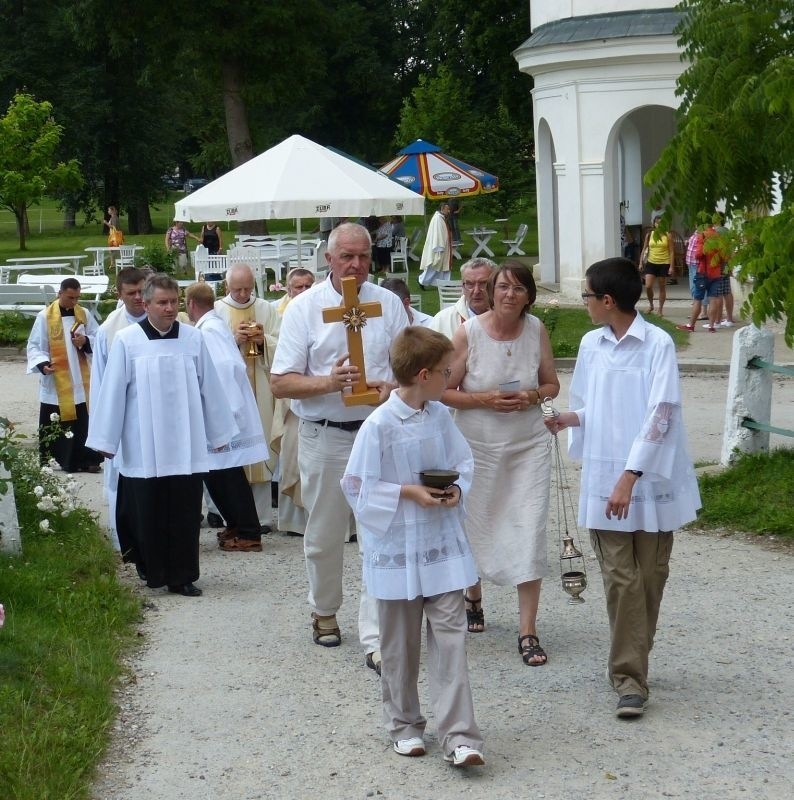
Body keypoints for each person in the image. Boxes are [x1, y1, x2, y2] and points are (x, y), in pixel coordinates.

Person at [545, 257, 701, 717]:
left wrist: (630, 476)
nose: (586, 304)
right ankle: (629, 678)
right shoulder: (592, 345)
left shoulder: (657, 345)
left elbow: (661, 413)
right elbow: (595, 407)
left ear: (607, 300)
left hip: (648, 477)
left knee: (650, 576)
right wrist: (570, 419)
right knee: (621, 578)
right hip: (604, 473)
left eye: (588, 296)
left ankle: (636, 662)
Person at [341, 326, 485, 767]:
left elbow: (463, 461)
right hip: (397, 551)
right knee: (399, 647)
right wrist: (408, 492)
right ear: (423, 375)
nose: (450, 378)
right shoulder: (379, 425)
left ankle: (459, 735)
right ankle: (404, 724)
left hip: (440, 547)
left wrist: (456, 488)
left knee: (452, 642)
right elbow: (356, 486)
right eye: (445, 372)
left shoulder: (440, 416)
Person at [270, 222, 408, 669]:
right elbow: (280, 383)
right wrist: (330, 381)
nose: (356, 265)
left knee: (379, 533)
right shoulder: (304, 309)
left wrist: (393, 388)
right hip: (325, 432)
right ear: (327, 259)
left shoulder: (387, 304)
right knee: (326, 533)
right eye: (346, 256)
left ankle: (376, 634)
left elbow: (410, 369)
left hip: (376, 433)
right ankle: (325, 610)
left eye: (364, 256)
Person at [87, 274, 237, 598]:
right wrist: (105, 440)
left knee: (184, 512)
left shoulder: (193, 339)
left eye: (174, 302)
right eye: (163, 303)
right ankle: (153, 571)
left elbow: (209, 386)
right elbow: (112, 392)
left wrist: (220, 432)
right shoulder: (127, 341)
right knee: (149, 511)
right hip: (144, 444)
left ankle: (183, 575)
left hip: (186, 442)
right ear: (146, 303)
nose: (170, 309)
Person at [443, 262, 560, 665]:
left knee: (529, 526)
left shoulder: (536, 330)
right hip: (478, 444)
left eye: (518, 288)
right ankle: (473, 596)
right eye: (503, 287)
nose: (509, 295)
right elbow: (444, 390)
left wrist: (531, 397)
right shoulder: (468, 332)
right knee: (478, 522)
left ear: (529, 295)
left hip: (527, 443)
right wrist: (484, 399)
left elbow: (551, 383)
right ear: (492, 292)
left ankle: (528, 630)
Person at [186, 282, 270, 552]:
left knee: (228, 474)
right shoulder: (214, 325)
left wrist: (223, 413)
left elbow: (223, 368)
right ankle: (235, 523)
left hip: (222, 415)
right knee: (216, 474)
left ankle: (248, 531)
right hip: (222, 414)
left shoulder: (208, 331)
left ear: (190, 305)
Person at [214, 263, 281, 529]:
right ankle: (228, 514)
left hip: (261, 386)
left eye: (247, 288)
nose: (243, 294)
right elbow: (210, 347)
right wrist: (234, 340)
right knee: (228, 447)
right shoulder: (218, 311)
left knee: (260, 446)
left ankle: (262, 517)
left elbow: (282, 341)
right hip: (230, 390)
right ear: (226, 286)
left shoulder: (266, 308)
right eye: (237, 289)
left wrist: (265, 340)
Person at [90, 267, 148, 559]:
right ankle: (122, 541)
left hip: (154, 418)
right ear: (119, 294)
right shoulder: (108, 330)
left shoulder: (164, 320)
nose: (138, 298)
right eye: (131, 293)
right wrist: (103, 433)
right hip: (123, 419)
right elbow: (100, 384)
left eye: (142, 291)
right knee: (120, 478)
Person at [26, 277, 102, 473]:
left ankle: (87, 459)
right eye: (70, 298)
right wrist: (43, 364)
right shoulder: (45, 316)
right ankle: (58, 460)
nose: (74, 302)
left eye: (77, 297)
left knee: (83, 418)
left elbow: (99, 337)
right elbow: (35, 345)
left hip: (79, 376)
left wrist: (85, 341)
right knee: (57, 419)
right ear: (60, 294)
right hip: (57, 377)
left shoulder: (83, 314)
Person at [270, 268, 315, 537]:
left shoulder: (327, 311)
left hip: (321, 393)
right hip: (292, 398)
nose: (304, 291)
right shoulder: (278, 314)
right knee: (292, 454)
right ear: (288, 289)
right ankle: (295, 523)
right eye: (298, 287)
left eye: (309, 285)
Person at [429, 257, 496, 339]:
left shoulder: (508, 319)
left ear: (495, 285)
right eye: (470, 284)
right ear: (462, 287)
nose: (476, 291)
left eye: (483, 284)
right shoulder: (442, 320)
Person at [639, 217, 675, 316]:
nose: (659, 225)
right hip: (651, 262)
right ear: (654, 224)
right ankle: (651, 305)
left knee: (662, 287)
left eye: (661, 223)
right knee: (648, 286)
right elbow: (644, 249)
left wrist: (671, 266)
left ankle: (660, 309)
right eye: (657, 223)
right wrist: (641, 262)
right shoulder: (650, 234)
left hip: (664, 263)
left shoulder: (668, 235)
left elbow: (671, 252)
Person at [418, 202, 452, 289]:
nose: (448, 211)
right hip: (439, 247)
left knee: (444, 266)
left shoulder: (441, 218)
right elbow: (438, 233)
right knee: (434, 266)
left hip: (444, 246)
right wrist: (439, 247)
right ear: (442, 209)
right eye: (447, 209)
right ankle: (422, 280)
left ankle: (445, 282)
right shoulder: (438, 219)